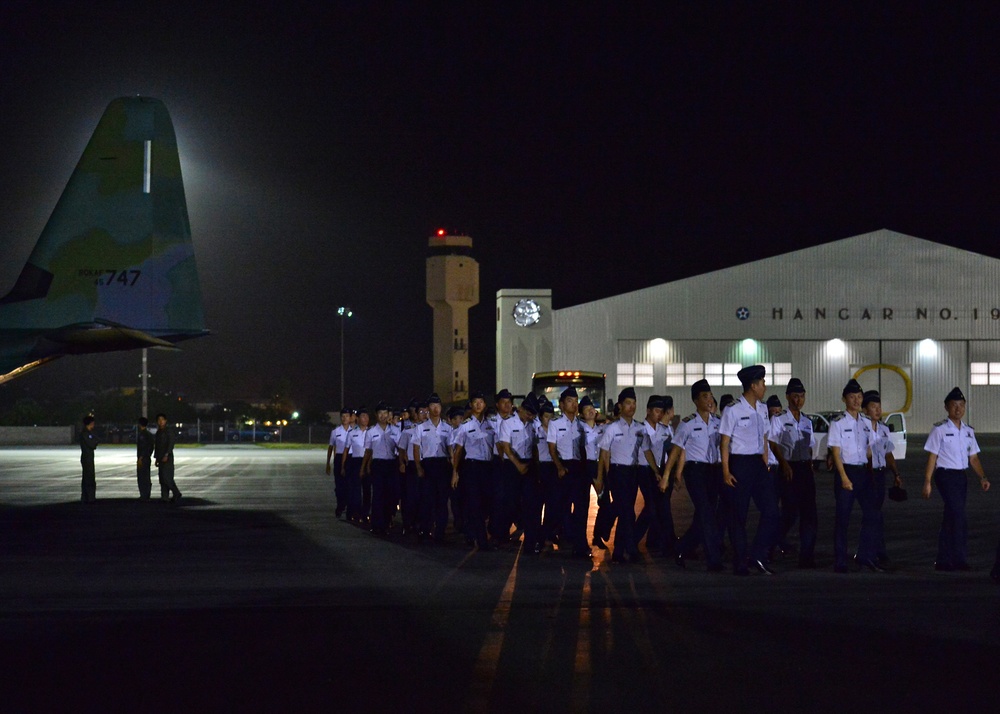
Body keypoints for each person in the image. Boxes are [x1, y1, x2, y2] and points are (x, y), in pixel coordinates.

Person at [719, 365, 780, 575]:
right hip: (739, 464)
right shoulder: (733, 409)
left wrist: (766, 463)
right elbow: (724, 442)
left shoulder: (762, 409)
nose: (765, 386)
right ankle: (740, 562)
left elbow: (764, 438)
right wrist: (726, 472)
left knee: (772, 511)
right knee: (739, 515)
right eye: (762, 382)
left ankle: (757, 554)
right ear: (753, 385)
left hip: (758, 465)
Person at [922, 387, 989, 571]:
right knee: (959, 516)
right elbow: (932, 457)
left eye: (961, 406)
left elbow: (973, 458)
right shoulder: (940, 430)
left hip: (961, 477)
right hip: (945, 475)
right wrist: (927, 481)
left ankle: (943, 559)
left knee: (951, 517)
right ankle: (959, 558)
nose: (958, 409)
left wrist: (982, 477)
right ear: (946, 407)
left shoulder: (968, 431)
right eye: (954, 406)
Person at [668, 379, 724, 572]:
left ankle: (681, 547)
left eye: (710, 395)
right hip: (695, 471)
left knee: (705, 515)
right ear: (695, 400)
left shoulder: (719, 422)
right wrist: (671, 474)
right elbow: (677, 450)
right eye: (704, 396)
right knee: (706, 513)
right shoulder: (688, 424)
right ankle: (713, 559)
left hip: (714, 471)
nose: (709, 400)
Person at [596, 387, 653, 564]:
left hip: (633, 473)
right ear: (620, 406)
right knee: (627, 512)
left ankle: (618, 552)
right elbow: (603, 453)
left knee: (624, 511)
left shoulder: (640, 428)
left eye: (634, 403)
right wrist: (603, 477)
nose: (632, 406)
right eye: (628, 403)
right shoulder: (612, 428)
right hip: (617, 471)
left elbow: (647, 451)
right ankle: (631, 549)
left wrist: (656, 471)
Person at [767, 378, 818, 568]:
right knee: (789, 514)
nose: (799, 400)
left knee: (809, 514)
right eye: (795, 396)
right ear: (787, 397)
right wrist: (784, 464)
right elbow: (772, 442)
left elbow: (811, 445)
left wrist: (810, 464)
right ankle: (769, 547)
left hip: (805, 469)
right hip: (788, 469)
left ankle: (806, 557)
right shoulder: (779, 419)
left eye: (802, 396)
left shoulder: (807, 421)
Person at [829, 379, 878, 572]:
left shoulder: (867, 422)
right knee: (843, 519)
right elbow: (835, 451)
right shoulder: (838, 423)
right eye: (852, 397)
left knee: (872, 515)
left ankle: (865, 555)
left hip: (863, 472)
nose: (856, 401)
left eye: (859, 397)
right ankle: (840, 560)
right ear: (844, 399)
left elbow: (870, 449)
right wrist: (843, 477)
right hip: (846, 472)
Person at [547, 386, 592, 558]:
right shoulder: (555, 424)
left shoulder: (582, 425)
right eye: (569, 401)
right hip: (564, 467)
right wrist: (559, 467)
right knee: (562, 507)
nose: (573, 404)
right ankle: (563, 536)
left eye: (575, 401)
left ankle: (580, 545)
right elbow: (551, 448)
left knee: (581, 508)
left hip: (579, 469)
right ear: (562, 404)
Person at [452, 391, 497, 551]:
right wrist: (455, 473)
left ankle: (476, 531)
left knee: (488, 502)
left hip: (488, 467)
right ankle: (481, 539)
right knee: (475, 503)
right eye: (475, 402)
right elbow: (458, 451)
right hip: (472, 467)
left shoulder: (491, 424)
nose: (478, 405)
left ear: (485, 405)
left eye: (481, 402)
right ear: (471, 405)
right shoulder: (465, 426)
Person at [497, 394, 540, 551]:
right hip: (512, 465)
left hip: (528, 465)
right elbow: (505, 447)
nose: (530, 417)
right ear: (521, 409)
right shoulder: (507, 423)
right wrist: (517, 465)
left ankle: (530, 542)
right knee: (510, 502)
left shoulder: (533, 424)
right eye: (528, 414)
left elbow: (534, 446)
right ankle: (501, 535)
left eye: (532, 415)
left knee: (531, 504)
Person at [864, 390, 902, 565]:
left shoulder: (884, 429)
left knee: (877, 514)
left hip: (880, 474)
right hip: (866, 474)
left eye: (879, 407)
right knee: (872, 515)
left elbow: (889, 454)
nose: (878, 410)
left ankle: (876, 551)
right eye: (873, 407)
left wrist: (896, 474)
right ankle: (871, 552)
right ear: (865, 410)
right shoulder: (861, 428)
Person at [413, 394, 454, 542]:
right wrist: (418, 466)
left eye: (438, 405)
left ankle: (440, 532)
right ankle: (425, 530)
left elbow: (451, 449)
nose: (435, 408)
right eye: (432, 406)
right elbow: (416, 448)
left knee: (442, 501)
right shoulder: (421, 428)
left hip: (443, 465)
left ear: (441, 408)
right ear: (428, 408)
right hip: (428, 465)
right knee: (427, 500)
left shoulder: (447, 428)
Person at [634, 396, 672, 556]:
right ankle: (632, 539)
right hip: (642, 470)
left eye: (661, 412)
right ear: (648, 411)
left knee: (658, 507)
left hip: (659, 471)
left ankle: (658, 540)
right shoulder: (640, 430)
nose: (659, 414)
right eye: (656, 411)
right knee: (651, 506)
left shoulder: (665, 430)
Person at [362, 402, 401, 536]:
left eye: (385, 413)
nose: (383, 416)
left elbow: (400, 449)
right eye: (380, 413)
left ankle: (386, 522)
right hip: (378, 465)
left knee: (390, 495)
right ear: (376, 415)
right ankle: (377, 525)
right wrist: (364, 467)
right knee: (378, 495)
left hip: (391, 465)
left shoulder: (395, 430)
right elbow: (368, 451)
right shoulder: (371, 431)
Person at [326, 408, 352, 518]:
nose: (344, 418)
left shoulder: (354, 431)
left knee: (349, 485)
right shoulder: (335, 432)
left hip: (351, 459)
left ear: (350, 418)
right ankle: (340, 505)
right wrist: (328, 463)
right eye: (342, 416)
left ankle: (348, 507)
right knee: (339, 486)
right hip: (339, 458)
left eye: (347, 416)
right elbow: (331, 447)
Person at [154, 413, 182, 503]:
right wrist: (156, 458)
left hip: (167, 458)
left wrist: (167, 454)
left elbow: (171, 444)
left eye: (162, 419)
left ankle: (176, 493)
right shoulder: (159, 432)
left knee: (167, 478)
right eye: (159, 420)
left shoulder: (168, 431)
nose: (160, 421)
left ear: (165, 421)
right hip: (160, 458)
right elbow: (157, 446)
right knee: (162, 478)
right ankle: (164, 497)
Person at [80, 415, 98, 503]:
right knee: (89, 477)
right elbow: (93, 444)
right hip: (87, 458)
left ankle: (87, 496)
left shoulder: (88, 433)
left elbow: (95, 441)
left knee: (88, 477)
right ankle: (89, 497)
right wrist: (95, 442)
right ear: (90, 423)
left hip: (89, 457)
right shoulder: (85, 433)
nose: (93, 425)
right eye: (93, 423)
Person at [136, 416, 154, 500]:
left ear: (140, 424)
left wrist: (140, 458)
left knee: (142, 477)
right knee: (147, 476)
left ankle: (144, 494)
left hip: (143, 458)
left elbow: (143, 447)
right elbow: (151, 447)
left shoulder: (142, 435)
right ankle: (147, 493)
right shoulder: (149, 435)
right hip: (147, 458)